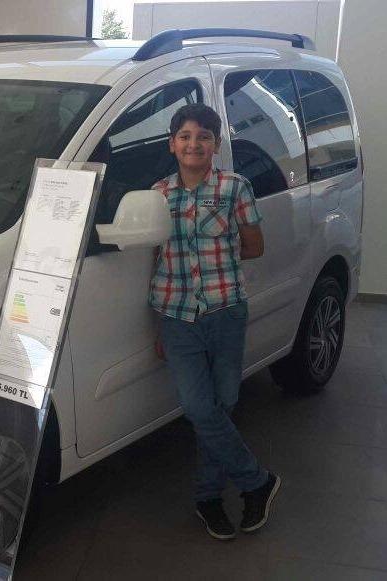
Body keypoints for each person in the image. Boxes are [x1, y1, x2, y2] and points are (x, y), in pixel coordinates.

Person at [150, 103, 281, 540]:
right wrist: (157, 328)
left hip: (225, 310)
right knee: (198, 407)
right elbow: (155, 259)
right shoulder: (157, 196)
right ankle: (257, 481)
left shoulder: (234, 187)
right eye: (185, 136)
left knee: (222, 404)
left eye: (203, 136)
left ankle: (208, 497)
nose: (194, 144)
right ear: (172, 144)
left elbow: (255, 245)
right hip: (176, 315)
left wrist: (216, 257)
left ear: (216, 144)